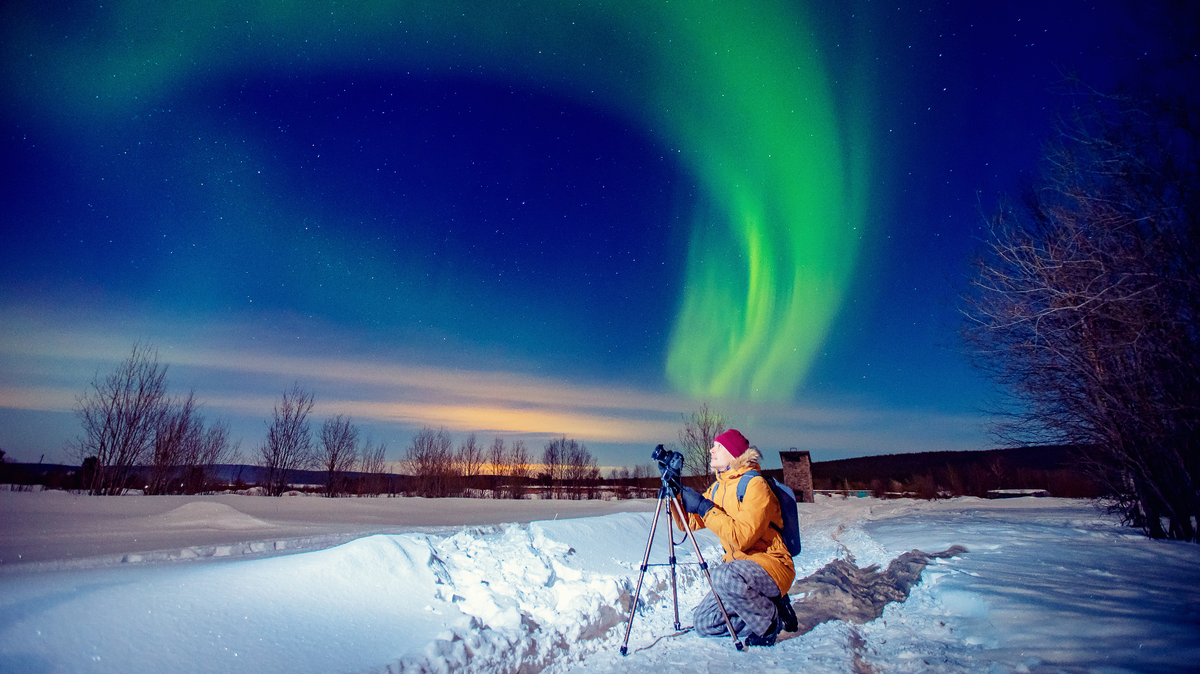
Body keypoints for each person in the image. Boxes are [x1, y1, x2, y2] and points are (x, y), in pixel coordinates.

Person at [677, 429, 797, 646]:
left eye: (718, 446)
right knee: (704, 623)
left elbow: (742, 538)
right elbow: (689, 523)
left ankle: (768, 622)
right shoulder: (717, 489)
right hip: (739, 573)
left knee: (722, 576)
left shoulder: (755, 485)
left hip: (771, 565)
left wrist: (705, 507)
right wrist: (675, 494)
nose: (711, 449)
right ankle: (771, 608)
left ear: (734, 454)